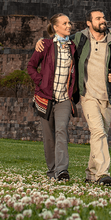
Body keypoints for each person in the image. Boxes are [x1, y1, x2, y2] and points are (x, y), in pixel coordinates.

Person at [36, 9, 111, 185]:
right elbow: (57, 40)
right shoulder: (80, 39)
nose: (103, 20)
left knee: (100, 135)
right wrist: (41, 40)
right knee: (98, 132)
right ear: (89, 22)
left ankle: (91, 174)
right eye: (98, 18)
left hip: (109, 96)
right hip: (88, 95)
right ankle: (102, 173)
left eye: (103, 17)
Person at [26, 13, 79, 181]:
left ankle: (62, 171)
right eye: (65, 23)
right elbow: (31, 66)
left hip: (64, 99)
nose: (69, 25)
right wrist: (40, 82)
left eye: (69, 23)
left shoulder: (74, 46)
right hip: (45, 98)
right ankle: (52, 172)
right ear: (56, 27)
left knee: (61, 130)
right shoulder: (46, 45)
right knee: (49, 137)